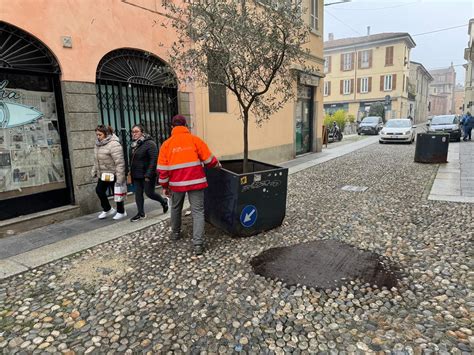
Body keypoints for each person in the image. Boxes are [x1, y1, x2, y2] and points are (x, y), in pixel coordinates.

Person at [157, 115, 220, 255]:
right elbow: (209, 159)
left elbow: (163, 170)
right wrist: (217, 165)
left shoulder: (166, 145)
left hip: (176, 184)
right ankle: (198, 244)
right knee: (197, 211)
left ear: (172, 127)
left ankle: (175, 233)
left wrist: (165, 186)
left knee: (175, 208)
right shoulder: (195, 140)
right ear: (186, 126)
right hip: (196, 182)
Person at [129, 124, 168, 222]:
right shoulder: (134, 144)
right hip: (136, 174)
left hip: (147, 174)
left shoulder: (150, 143)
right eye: (132, 132)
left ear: (142, 132)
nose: (134, 134)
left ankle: (163, 201)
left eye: (136, 131)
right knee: (138, 194)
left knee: (149, 193)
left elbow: (153, 160)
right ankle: (141, 213)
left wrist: (148, 174)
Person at [91, 125, 127, 220]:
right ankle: (107, 209)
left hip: (113, 173)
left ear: (106, 134)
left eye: (100, 134)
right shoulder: (98, 144)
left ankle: (121, 211)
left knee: (117, 192)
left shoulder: (114, 144)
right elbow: (96, 160)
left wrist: (120, 177)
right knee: (99, 190)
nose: (98, 137)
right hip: (103, 174)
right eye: (97, 135)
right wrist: (94, 170)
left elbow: (119, 162)